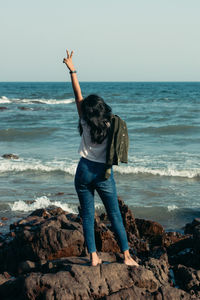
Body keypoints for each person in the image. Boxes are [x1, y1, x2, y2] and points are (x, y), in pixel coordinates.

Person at [63, 50, 139, 267]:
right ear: (103, 109)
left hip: (84, 170)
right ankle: (126, 256)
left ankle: (94, 257)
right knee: (114, 214)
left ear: (88, 111)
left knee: (87, 215)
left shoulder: (84, 120)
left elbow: (77, 94)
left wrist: (72, 70)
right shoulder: (111, 125)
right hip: (103, 173)